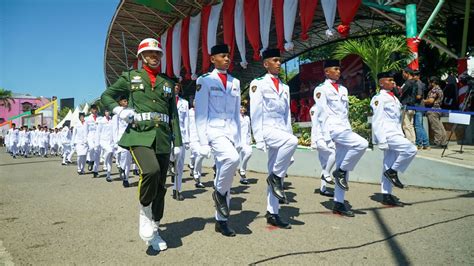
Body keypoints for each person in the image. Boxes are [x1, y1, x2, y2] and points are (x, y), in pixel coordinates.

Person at [101, 37, 182, 251]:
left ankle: (154, 227)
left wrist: (178, 142)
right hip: (139, 135)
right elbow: (106, 96)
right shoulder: (130, 77)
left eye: (157, 53)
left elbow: (173, 115)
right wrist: (120, 111)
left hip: (163, 137)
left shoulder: (167, 82)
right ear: (141, 57)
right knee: (151, 171)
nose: (154, 56)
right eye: (149, 53)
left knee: (161, 187)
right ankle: (144, 212)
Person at [195, 44, 241, 237]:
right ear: (212, 59)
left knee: (226, 173)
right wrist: (203, 142)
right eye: (223, 56)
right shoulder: (204, 80)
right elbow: (200, 113)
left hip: (230, 132)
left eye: (228, 56)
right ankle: (219, 194)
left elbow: (237, 113)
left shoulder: (235, 82)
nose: (227, 59)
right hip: (214, 131)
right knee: (232, 159)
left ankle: (221, 221)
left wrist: (239, 138)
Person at [313, 59, 368, 217]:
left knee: (342, 167)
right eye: (335, 69)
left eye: (339, 69)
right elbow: (321, 114)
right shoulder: (321, 89)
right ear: (326, 72)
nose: (338, 71)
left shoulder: (343, 89)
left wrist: (349, 127)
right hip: (333, 129)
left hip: (344, 128)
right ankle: (341, 171)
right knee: (362, 143)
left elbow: (345, 112)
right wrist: (326, 137)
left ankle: (339, 203)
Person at [250, 48, 297, 229]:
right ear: (266, 64)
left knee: (276, 172)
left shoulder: (285, 87)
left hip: (281, 130)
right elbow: (255, 111)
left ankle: (273, 212)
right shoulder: (258, 83)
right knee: (290, 145)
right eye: (275, 60)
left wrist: (289, 132)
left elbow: (287, 115)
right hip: (267, 128)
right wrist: (259, 138)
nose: (278, 63)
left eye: (279, 60)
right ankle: (275, 177)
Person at [370, 72, 417, 206]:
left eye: (393, 80)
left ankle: (386, 195)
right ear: (381, 83)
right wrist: (381, 140)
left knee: (387, 163)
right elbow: (377, 120)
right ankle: (393, 172)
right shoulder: (379, 98)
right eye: (389, 80)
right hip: (388, 134)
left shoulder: (394, 98)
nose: (393, 82)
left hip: (396, 132)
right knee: (411, 149)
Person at [310, 104, 335, 197]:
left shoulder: (328, 107)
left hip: (328, 139)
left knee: (325, 164)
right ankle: (326, 174)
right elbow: (314, 125)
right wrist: (313, 142)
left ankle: (323, 189)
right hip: (320, 139)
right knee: (333, 154)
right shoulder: (315, 108)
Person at [170, 81, 190, 201]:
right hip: (168, 134)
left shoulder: (185, 103)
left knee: (181, 164)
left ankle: (177, 189)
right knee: (173, 155)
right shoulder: (166, 101)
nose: (176, 88)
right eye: (174, 86)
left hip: (181, 134)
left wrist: (187, 139)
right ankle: (171, 162)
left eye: (178, 87)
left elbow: (186, 121)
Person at [111, 95, 133, 187]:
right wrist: (115, 141)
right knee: (123, 155)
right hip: (121, 138)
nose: (126, 102)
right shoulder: (117, 114)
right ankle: (121, 167)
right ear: (120, 102)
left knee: (128, 159)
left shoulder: (131, 111)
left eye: (126, 101)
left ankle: (126, 178)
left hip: (130, 137)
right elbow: (115, 128)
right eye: (124, 101)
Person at [424, 76, 448, 148]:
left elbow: (431, 101)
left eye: (430, 82)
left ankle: (437, 142)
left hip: (432, 110)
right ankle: (444, 142)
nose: (429, 84)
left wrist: (423, 101)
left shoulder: (434, 90)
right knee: (440, 127)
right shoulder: (440, 89)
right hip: (438, 109)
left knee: (436, 127)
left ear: (433, 82)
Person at [188, 99, 205, 188]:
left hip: (201, 139)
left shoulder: (203, 112)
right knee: (199, 154)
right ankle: (195, 172)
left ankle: (198, 179)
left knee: (200, 157)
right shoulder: (189, 112)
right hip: (192, 138)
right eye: (195, 101)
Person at [399, 67, 418, 144]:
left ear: (407, 73)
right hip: (412, 107)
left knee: (406, 126)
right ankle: (413, 141)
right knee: (411, 125)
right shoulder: (415, 83)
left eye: (403, 73)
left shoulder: (407, 83)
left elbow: (400, 92)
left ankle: (409, 142)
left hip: (406, 107)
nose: (402, 75)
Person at [97, 110, 115, 182]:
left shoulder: (112, 120)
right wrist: (97, 143)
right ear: (104, 112)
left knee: (110, 158)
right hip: (103, 140)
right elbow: (98, 132)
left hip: (111, 141)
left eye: (108, 111)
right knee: (109, 151)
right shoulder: (101, 121)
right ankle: (104, 160)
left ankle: (108, 175)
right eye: (106, 111)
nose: (108, 113)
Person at [413, 71, 430, 150]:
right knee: (420, 126)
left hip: (418, 107)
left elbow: (419, 96)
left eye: (415, 75)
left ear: (418, 76)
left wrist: (411, 98)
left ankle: (420, 143)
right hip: (419, 107)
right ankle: (425, 144)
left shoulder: (418, 84)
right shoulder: (418, 83)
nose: (413, 77)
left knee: (418, 126)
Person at [86, 105, 101, 177]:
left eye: (96, 109)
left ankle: (95, 171)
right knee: (91, 148)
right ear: (91, 110)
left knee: (97, 153)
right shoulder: (88, 119)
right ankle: (91, 160)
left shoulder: (100, 118)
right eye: (93, 109)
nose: (95, 110)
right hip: (90, 136)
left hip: (98, 137)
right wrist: (85, 139)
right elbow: (86, 130)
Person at [238, 106, 252, 185]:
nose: (243, 109)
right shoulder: (236, 117)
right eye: (241, 107)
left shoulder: (247, 118)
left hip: (246, 141)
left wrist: (250, 139)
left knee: (248, 154)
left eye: (244, 107)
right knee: (237, 159)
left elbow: (249, 129)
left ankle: (242, 174)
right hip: (239, 141)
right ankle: (242, 171)